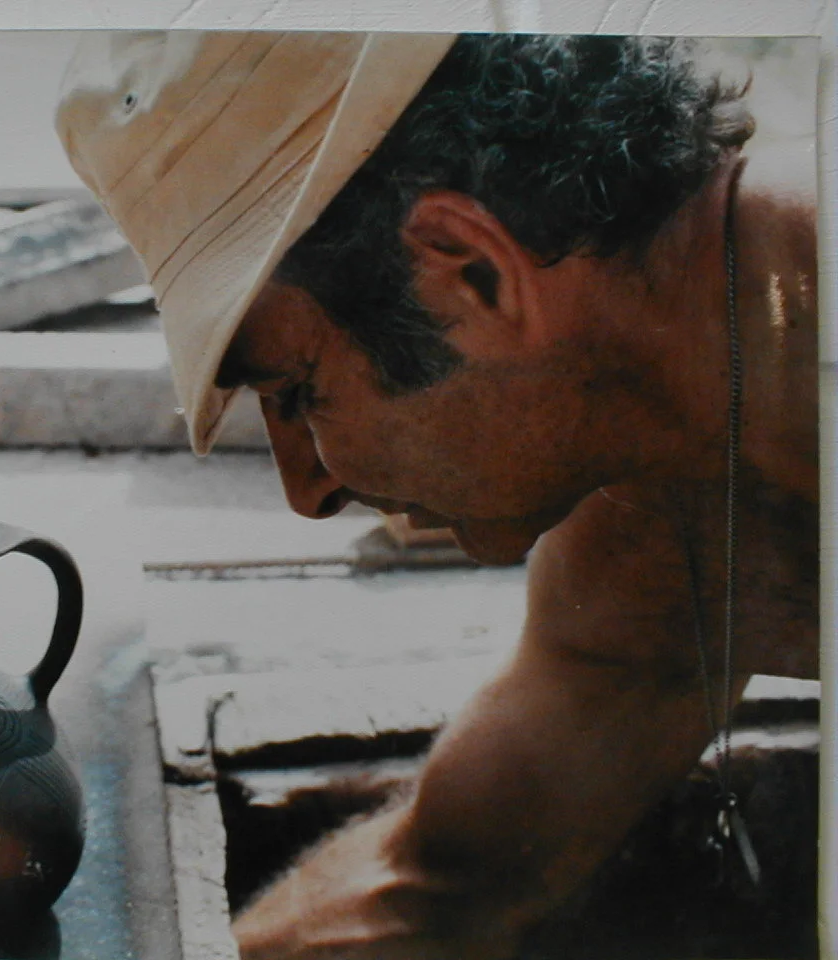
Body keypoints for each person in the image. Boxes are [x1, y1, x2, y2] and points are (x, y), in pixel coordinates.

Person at [56, 32, 818, 959]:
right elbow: (433, 884)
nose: (308, 492)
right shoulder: (654, 516)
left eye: (295, 392)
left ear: (471, 273)